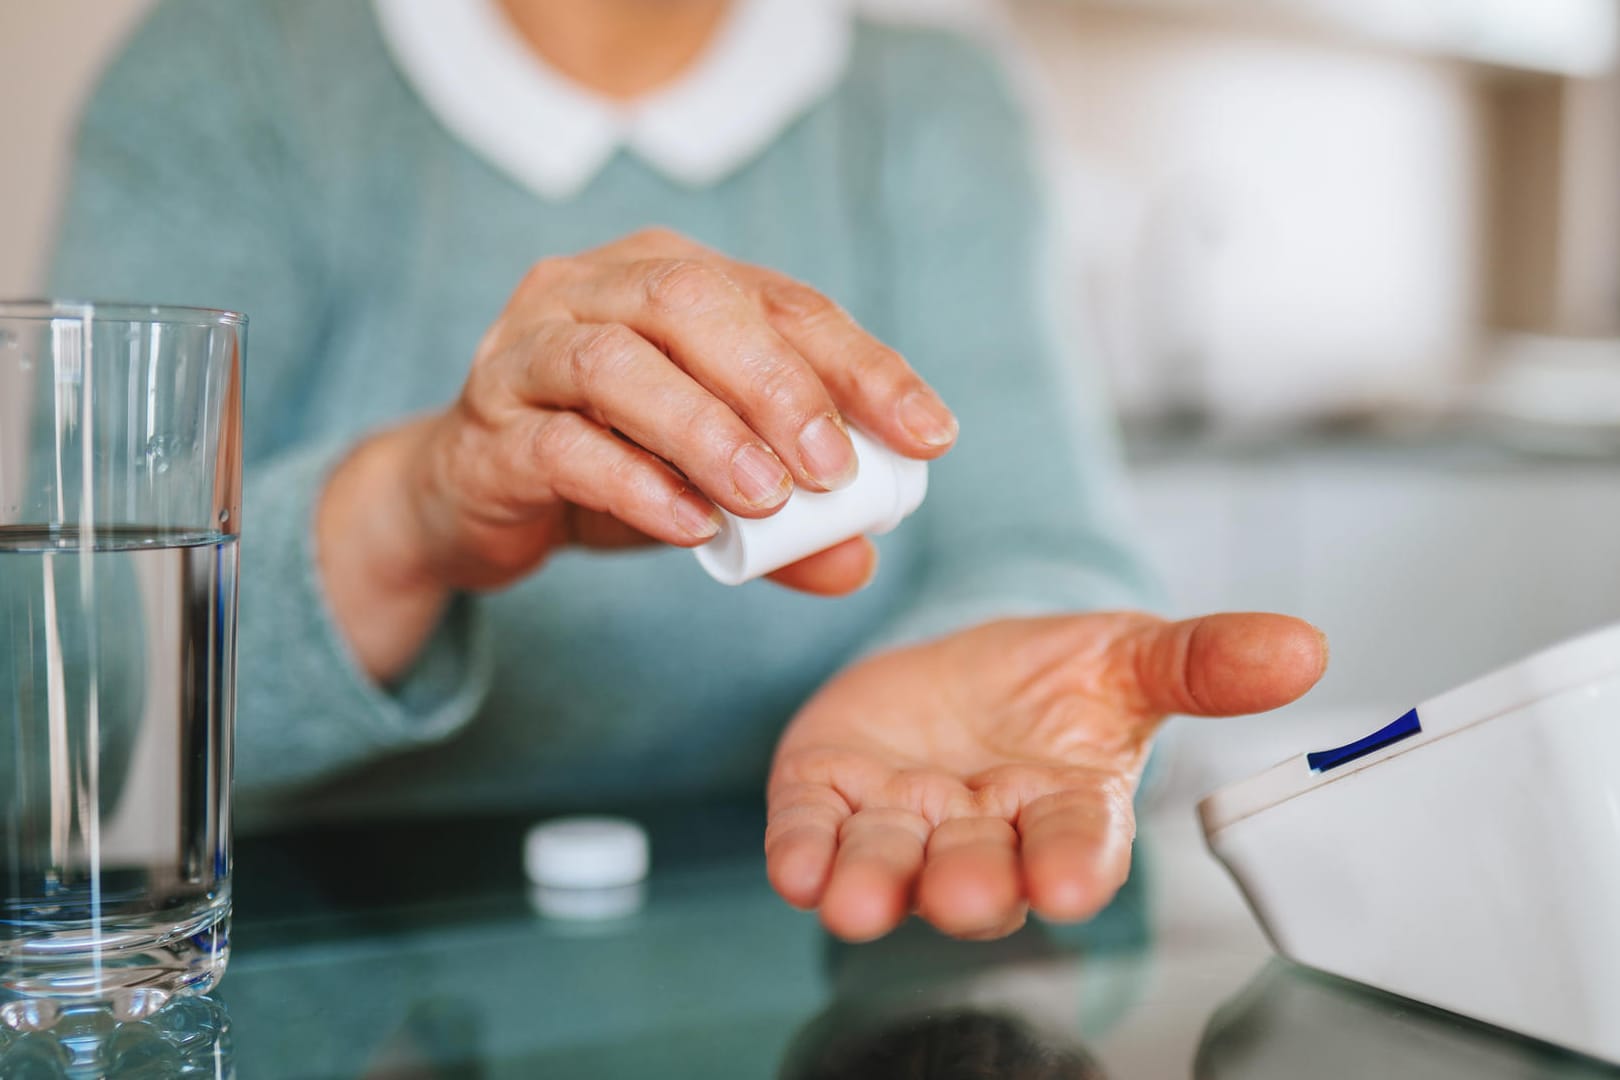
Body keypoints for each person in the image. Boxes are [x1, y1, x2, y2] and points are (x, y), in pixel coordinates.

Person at [49, 0, 1327, 943]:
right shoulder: (227, 73)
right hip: (315, 949)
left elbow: (1039, 534)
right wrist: (408, 509)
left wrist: (1006, 647)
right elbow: (66, 701)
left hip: (804, 939)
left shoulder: (931, 98)